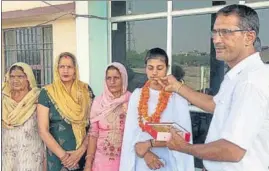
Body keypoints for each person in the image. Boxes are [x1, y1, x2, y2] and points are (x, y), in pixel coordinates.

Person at [156, 4, 269, 171]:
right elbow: (216, 104)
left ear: (249, 37)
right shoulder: (236, 76)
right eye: (215, 32)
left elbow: (232, 150)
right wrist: (177, 87)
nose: (216, 39)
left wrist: (184, 147)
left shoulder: (250, 82)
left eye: (226, 32)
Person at [119, 48, 194, 171]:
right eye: (150, 68)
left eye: (159, 68)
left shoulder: (177, 97)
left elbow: (183, 136)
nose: (154, 73)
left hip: (169, 159)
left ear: (167, 68)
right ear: (145, 68)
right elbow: (131, 134)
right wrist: (145, 153)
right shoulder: (137, 95)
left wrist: (149, 144)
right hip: (142, 160)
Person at [37, 52, 95, 171]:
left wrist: (80, 152)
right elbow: (43, 130)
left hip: (82, 155)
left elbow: (93, 124)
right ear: (57, 69)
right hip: (57, 158)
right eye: (62, 67)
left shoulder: (85, 90)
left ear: (75, 69)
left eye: (69, 67)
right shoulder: (47, 93)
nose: (65, 70)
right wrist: (65, 157)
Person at [84, 62, 131, 171]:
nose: (112, 82)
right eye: (108, 78)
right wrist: (88, 162)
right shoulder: (99, 102)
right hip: (101, 162)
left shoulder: (131, 100)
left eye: (116, 78)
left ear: (123, 79)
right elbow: (93, 134)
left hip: (125, 160)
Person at [2, 62, 44, 170]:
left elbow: (46, 129)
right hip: (8, 158)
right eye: (12, 77)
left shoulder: (37, 98)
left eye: (20, 76)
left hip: (32, 158)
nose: (15, 80)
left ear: (28, 78)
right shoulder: (4, 101)